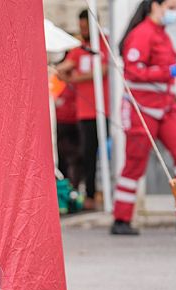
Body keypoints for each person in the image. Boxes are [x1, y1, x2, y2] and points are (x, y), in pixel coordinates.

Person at [111, 0, 176, 235]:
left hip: (166, 107)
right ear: (154, 6)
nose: (174, 13)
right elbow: (133, 71)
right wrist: (167, 71)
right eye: (171, 7)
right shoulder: (142, 34)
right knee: (135, 164)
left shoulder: (163, 34)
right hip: (142, 109)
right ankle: (121, 219)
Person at [56, 9, 110, 210]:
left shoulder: (103, 45)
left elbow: (101, 71)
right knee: (86, 154)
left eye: (86, 27)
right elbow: (65, 66)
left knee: (99, 154)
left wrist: (72, 78)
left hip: (102, 110)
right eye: (81, 27)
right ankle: (88, 194)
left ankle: (96, 192)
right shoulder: (80, 49)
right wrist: (60, 70)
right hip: (84, 112)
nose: (83, 30)